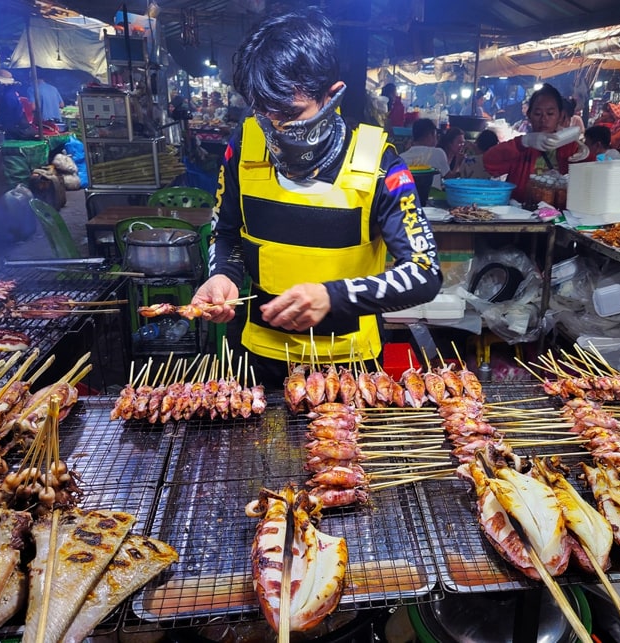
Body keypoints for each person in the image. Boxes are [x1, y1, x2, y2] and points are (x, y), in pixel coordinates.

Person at [189, 10, 442, 385]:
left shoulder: (379, 164)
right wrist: (223, 275)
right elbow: (227, 233)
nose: (276, 129)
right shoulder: (243, 147)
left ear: (331, 94)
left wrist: (333, 296)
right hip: (259, 360)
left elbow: (425, 273)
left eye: (290, 114)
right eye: (264, 113)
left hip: (351, 368)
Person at [483, 83, 582, 203]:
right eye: (537, 114)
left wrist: (586, 156)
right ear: (529, 115)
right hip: (521, 212)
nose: (544, 119)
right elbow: (488, 162)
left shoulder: (571, 148)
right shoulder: (521, 146)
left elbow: (590, 181)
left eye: (550, 113)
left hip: (560, 213)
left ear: (560, 116)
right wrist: (524, 142)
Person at [398, 118, 451, 188]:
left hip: (408, 194)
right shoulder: (438, 153)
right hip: (432, 194)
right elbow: (450, 178)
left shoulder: (401, 158)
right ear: (431, 134)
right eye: (436, 135)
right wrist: (458, 162)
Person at [0, 70, 35, 139]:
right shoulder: (9, 93)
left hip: (14, 131)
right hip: (15, 128)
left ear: (1, 83)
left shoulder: (8, 96)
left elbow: (9, 115)